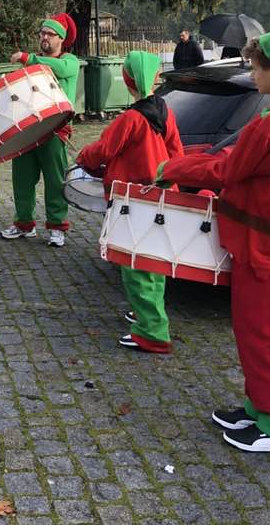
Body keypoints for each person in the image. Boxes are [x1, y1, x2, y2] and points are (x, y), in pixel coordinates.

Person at [157, 26, 270, 455]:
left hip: (267, 251)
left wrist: (172, 168)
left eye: (256, 68)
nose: (252, 74)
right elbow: (241, 161)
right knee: (261, 332)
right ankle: (258, 407)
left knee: (262, 335)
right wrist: (192, 159)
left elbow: (227, 171)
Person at [77, 51, 184, 353]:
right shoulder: (165, 113)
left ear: (127, 80)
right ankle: (145, 312)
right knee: (155, 264)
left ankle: (152, 332)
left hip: (133, 201)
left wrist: (83, 157)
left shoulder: (130, 119)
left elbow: (102, 151)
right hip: (161, 197)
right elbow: (177, 155)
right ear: (155, 77)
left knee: (135, 266)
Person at [0, 13, 80, 247]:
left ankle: (57, 226)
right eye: (42, 33)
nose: (44, 37)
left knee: (55, 180)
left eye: (50, 34)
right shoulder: (34, 64)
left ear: (61, 39)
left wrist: (28, 58)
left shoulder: (69, 61)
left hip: (55, 130)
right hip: (28, 128)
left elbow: (60, 68)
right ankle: (24, 224)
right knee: (22, 179)